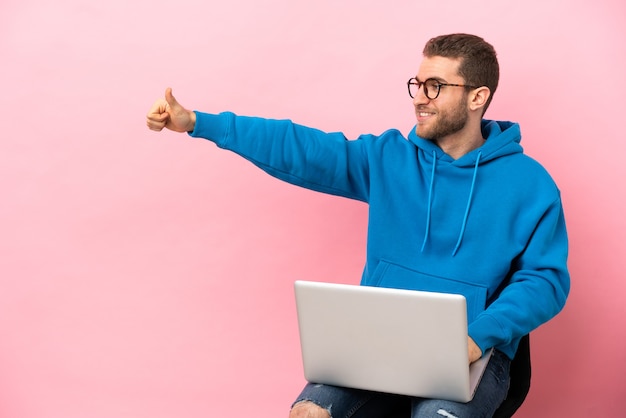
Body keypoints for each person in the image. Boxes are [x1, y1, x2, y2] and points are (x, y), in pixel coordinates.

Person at [146, 33, 570, 418]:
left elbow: (545, 280)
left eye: (436, 86)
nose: (420, 97)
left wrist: (477, 337)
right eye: (418, 84)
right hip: (379, 340)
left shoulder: (530, 184)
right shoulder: (389, 158)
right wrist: (200, 123)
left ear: (477, 97)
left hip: (472, 348)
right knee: (309, 414)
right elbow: (300, 147)